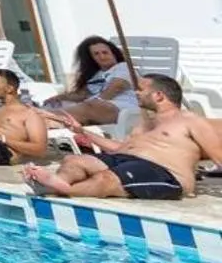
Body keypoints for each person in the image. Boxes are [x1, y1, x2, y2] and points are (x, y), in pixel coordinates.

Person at [22, 76, 222, 201]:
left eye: (141, 89)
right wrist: (81, 131)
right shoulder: (144, 123)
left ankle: (58, 189)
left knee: (105, 180)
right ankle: (58, 182)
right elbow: (119, 149)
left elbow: (219, 156)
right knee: (74, 160)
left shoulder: (191, 121)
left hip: (165, 173)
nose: (136, 93)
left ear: (159, 96)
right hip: (128, 161)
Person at [38, 36, 138, 128]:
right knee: (63, 104)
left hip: (123, 109)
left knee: (93, 106)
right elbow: (82, 95)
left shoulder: (123, 67)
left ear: (114, 53)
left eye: (105, 52)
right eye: (96, 54)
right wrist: (60, 97)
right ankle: (47, 120)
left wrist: (94, 101)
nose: (102, 57)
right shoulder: (96, 75)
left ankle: (43, 116)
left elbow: (116, 87)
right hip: (96, 109)